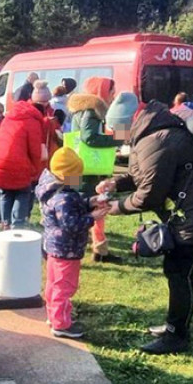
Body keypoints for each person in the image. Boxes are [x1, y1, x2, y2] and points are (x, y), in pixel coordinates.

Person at [99, 101, 193, 354]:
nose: (114, 135)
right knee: (182, 271)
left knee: (181, 272)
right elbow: (150, 174)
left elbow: (150, 194)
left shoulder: (154, 139)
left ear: (127, 124)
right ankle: (175, 325)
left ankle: (176, 335)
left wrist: (117, 207)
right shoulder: (154, 133)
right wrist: (116, 183)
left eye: (116, 129)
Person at [35, 147, 108, 339]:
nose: (80, 179)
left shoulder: (55, 189)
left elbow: (73, 204)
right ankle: (61, 324)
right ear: (67, 176)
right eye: (77, 175)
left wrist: (90, 201)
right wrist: (92, 216)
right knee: (64, 286)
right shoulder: (63, 198)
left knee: (54, 283)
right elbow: (71, 224)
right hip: (67, 249)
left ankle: (54, 314)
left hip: (55, 248)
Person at [68, 77, 122, 263]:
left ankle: (98, 248)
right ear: (102, 92)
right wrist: (119, 139)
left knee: (77, 203)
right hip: (88, 170)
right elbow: (90, 138)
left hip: (76, 167)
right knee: (94, 205)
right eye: (111, 91)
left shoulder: (80, 109)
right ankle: (97, 250)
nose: (113, 95)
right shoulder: (92, 111)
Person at [0, 98, 43, 228]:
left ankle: (5, 224)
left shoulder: (7, 119)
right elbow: (35, 150)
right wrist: (35, 169)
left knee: (5, 193)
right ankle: (17, 225)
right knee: (22, 192)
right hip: (18, 162)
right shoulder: (32, 122)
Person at [32, 80, 62, 164]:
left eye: (46, 101)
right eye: (42, 102)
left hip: (49, 148)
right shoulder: (32, 113)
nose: (45, 104)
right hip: (41, 148)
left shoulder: (51, 110)